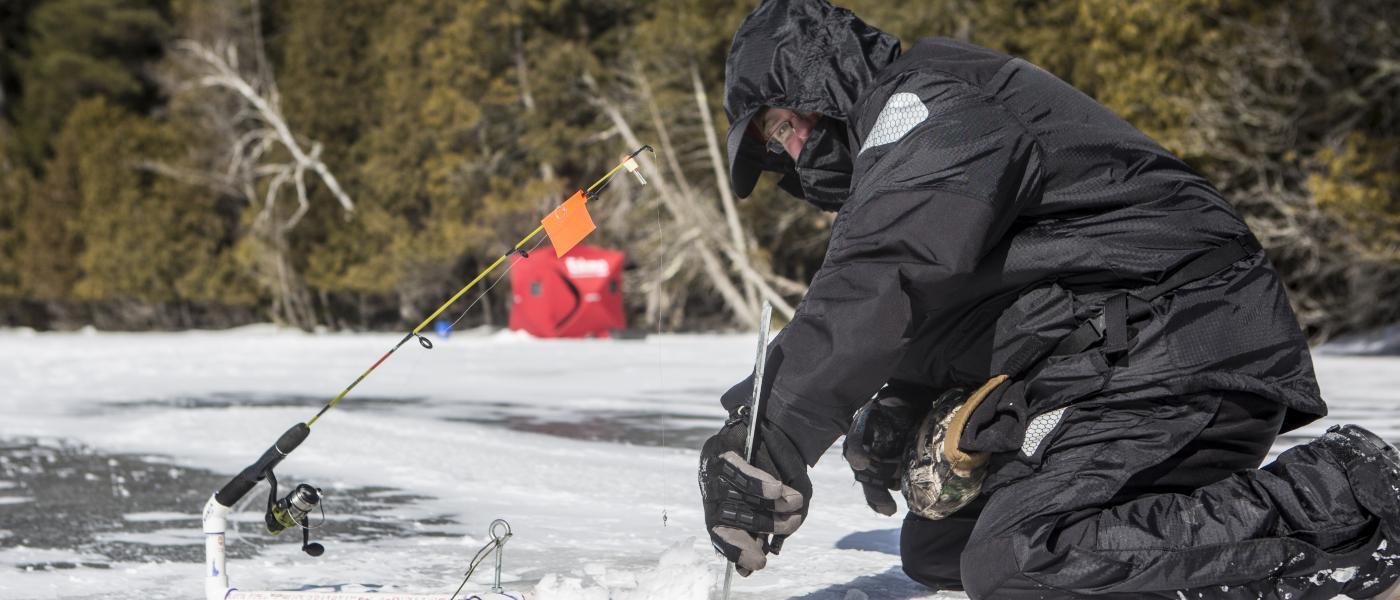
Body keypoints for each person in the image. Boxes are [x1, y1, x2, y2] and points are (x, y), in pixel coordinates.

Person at [694, 1, 1400, 598]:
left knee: (1024, 558)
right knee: (942, 550)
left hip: (1181, 339)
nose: (788, 152)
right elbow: (955, 297)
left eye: (785, 124)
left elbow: (890, 270)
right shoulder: (911, 138)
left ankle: (1347, 496)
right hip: (1117, 354)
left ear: (822, 83)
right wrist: (905, 402)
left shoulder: (928, 105)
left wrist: (771, 429)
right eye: (774, 143)